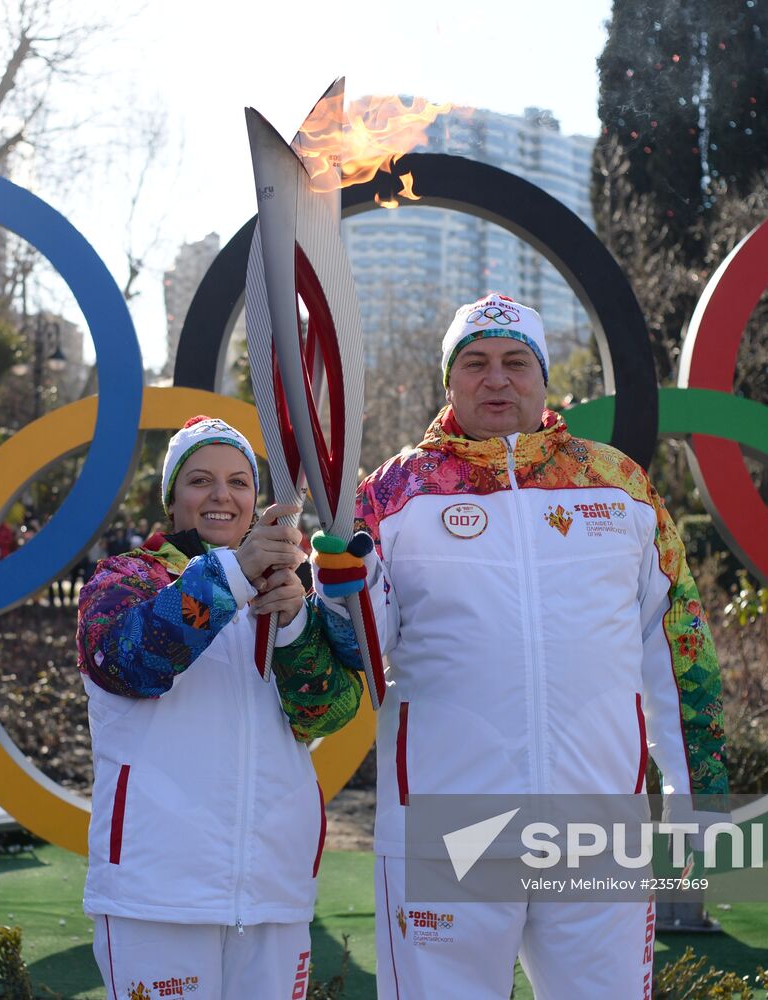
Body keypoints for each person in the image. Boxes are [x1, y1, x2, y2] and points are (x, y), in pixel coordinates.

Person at [311, 294, 729, 998]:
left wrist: (694, 795)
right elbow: (359, 650)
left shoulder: (617, 485)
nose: (495, 379)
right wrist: (335, 585)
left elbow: (677, 649)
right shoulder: (391, 495)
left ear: (542, 378)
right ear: (448, 381)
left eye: (514, 362)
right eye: (474, 363)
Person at [76, 415, 366, 1000]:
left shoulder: (286, 592)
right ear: (172, 498)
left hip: (272, 892)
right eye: (200, 480)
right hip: (156, 893)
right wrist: (234, 575)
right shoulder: (125, 578)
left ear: (256, 498)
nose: (221, 496)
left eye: (238, 481)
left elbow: (329, 713)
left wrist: (291, 625)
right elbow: (129, 661)